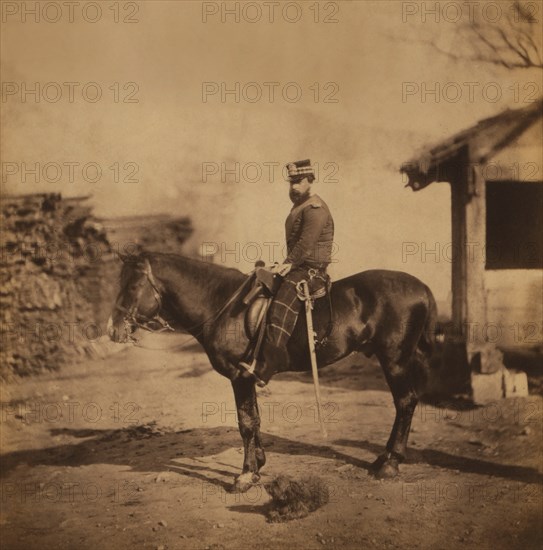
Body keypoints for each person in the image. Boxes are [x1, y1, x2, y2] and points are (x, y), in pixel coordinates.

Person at [249, 159, 335, 386]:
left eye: (299, 182)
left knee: (284, 298)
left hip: (311, 270)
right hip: (300, 265)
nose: (294, 187)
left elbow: (306, 243)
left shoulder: (315, 208)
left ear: (310, 181)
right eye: (291, 182)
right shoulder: (300, 206)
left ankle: (272, 361)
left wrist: (288, 263)